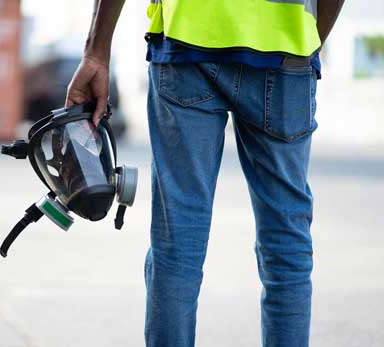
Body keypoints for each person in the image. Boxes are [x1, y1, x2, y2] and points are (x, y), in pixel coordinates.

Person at [66, 1, 345, 346]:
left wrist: (96, 52)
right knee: (285, 240)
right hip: (284, 49)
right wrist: (308, 41)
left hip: (187, 41)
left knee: (177, 236)